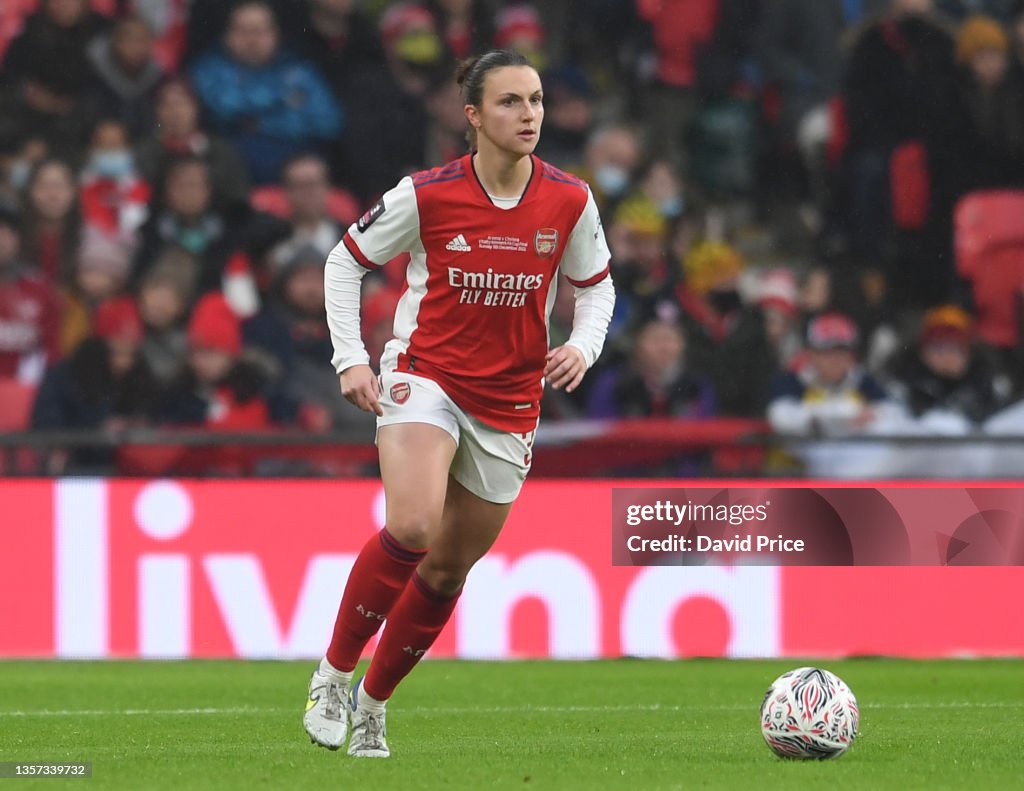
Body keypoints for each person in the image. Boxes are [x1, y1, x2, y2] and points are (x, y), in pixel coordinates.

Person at [304, 49, 615, 758]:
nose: (528, 114)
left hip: (510, 400)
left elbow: (596, 283)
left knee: (446, 570)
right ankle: (332, 672)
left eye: (534, 99)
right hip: (427, 374)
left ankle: (374, 704)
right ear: (472, 116)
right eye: (509, 102)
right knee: (412, 526)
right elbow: (345, 259)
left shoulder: (570, 198)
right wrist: (350, 357)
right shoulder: (427, 192)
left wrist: (585, 343)